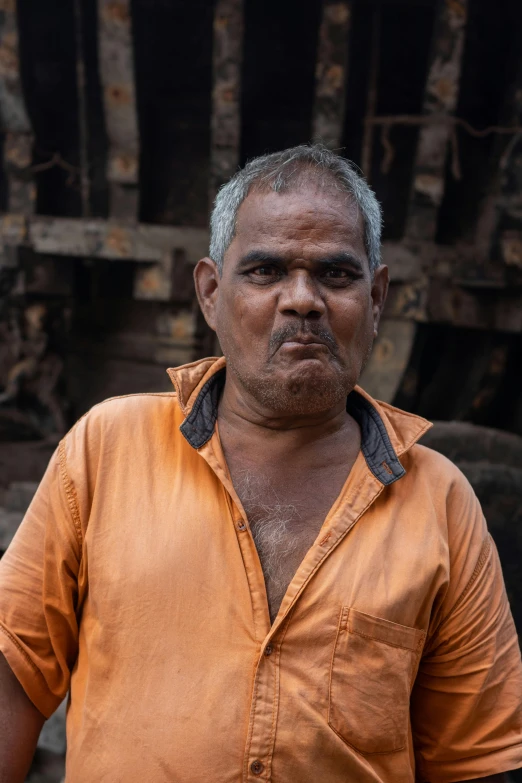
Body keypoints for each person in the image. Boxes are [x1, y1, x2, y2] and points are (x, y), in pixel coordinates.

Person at [0, 144, 521, 783]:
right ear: (212, 293)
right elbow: (14, 678)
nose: (302, 300)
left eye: (335, 275)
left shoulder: (439, 501)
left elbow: (479, 759)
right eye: (266, 271)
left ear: (377, 297)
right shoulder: (106, 448)